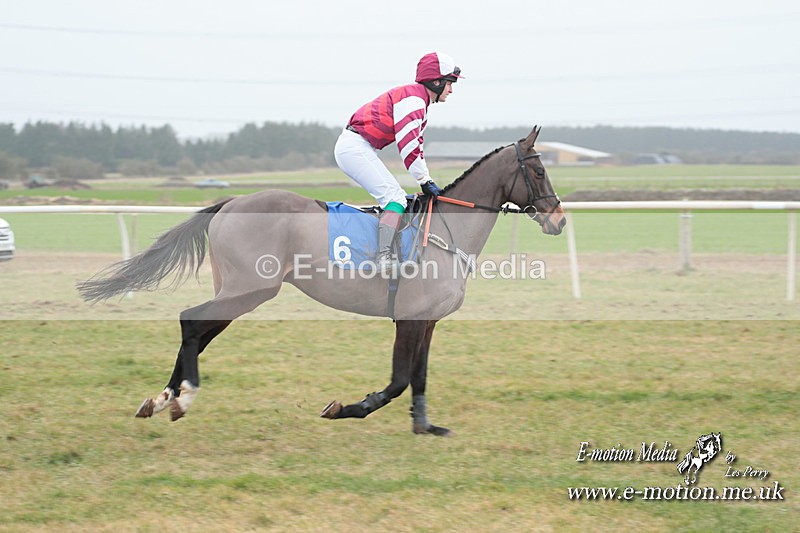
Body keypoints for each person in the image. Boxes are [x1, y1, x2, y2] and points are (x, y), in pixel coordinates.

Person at [334, 51, 463, 269]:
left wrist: (426, 178)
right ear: (437, 82)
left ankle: (389, 249)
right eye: (450, 83)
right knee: (395, 198)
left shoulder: (419, 100)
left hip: (359, 147)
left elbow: (417, 144)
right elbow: (408, 145)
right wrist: (424, 180)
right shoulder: (414, 100)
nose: (451, 90)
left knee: (397, 198)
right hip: (354, 148)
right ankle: (383, 257)